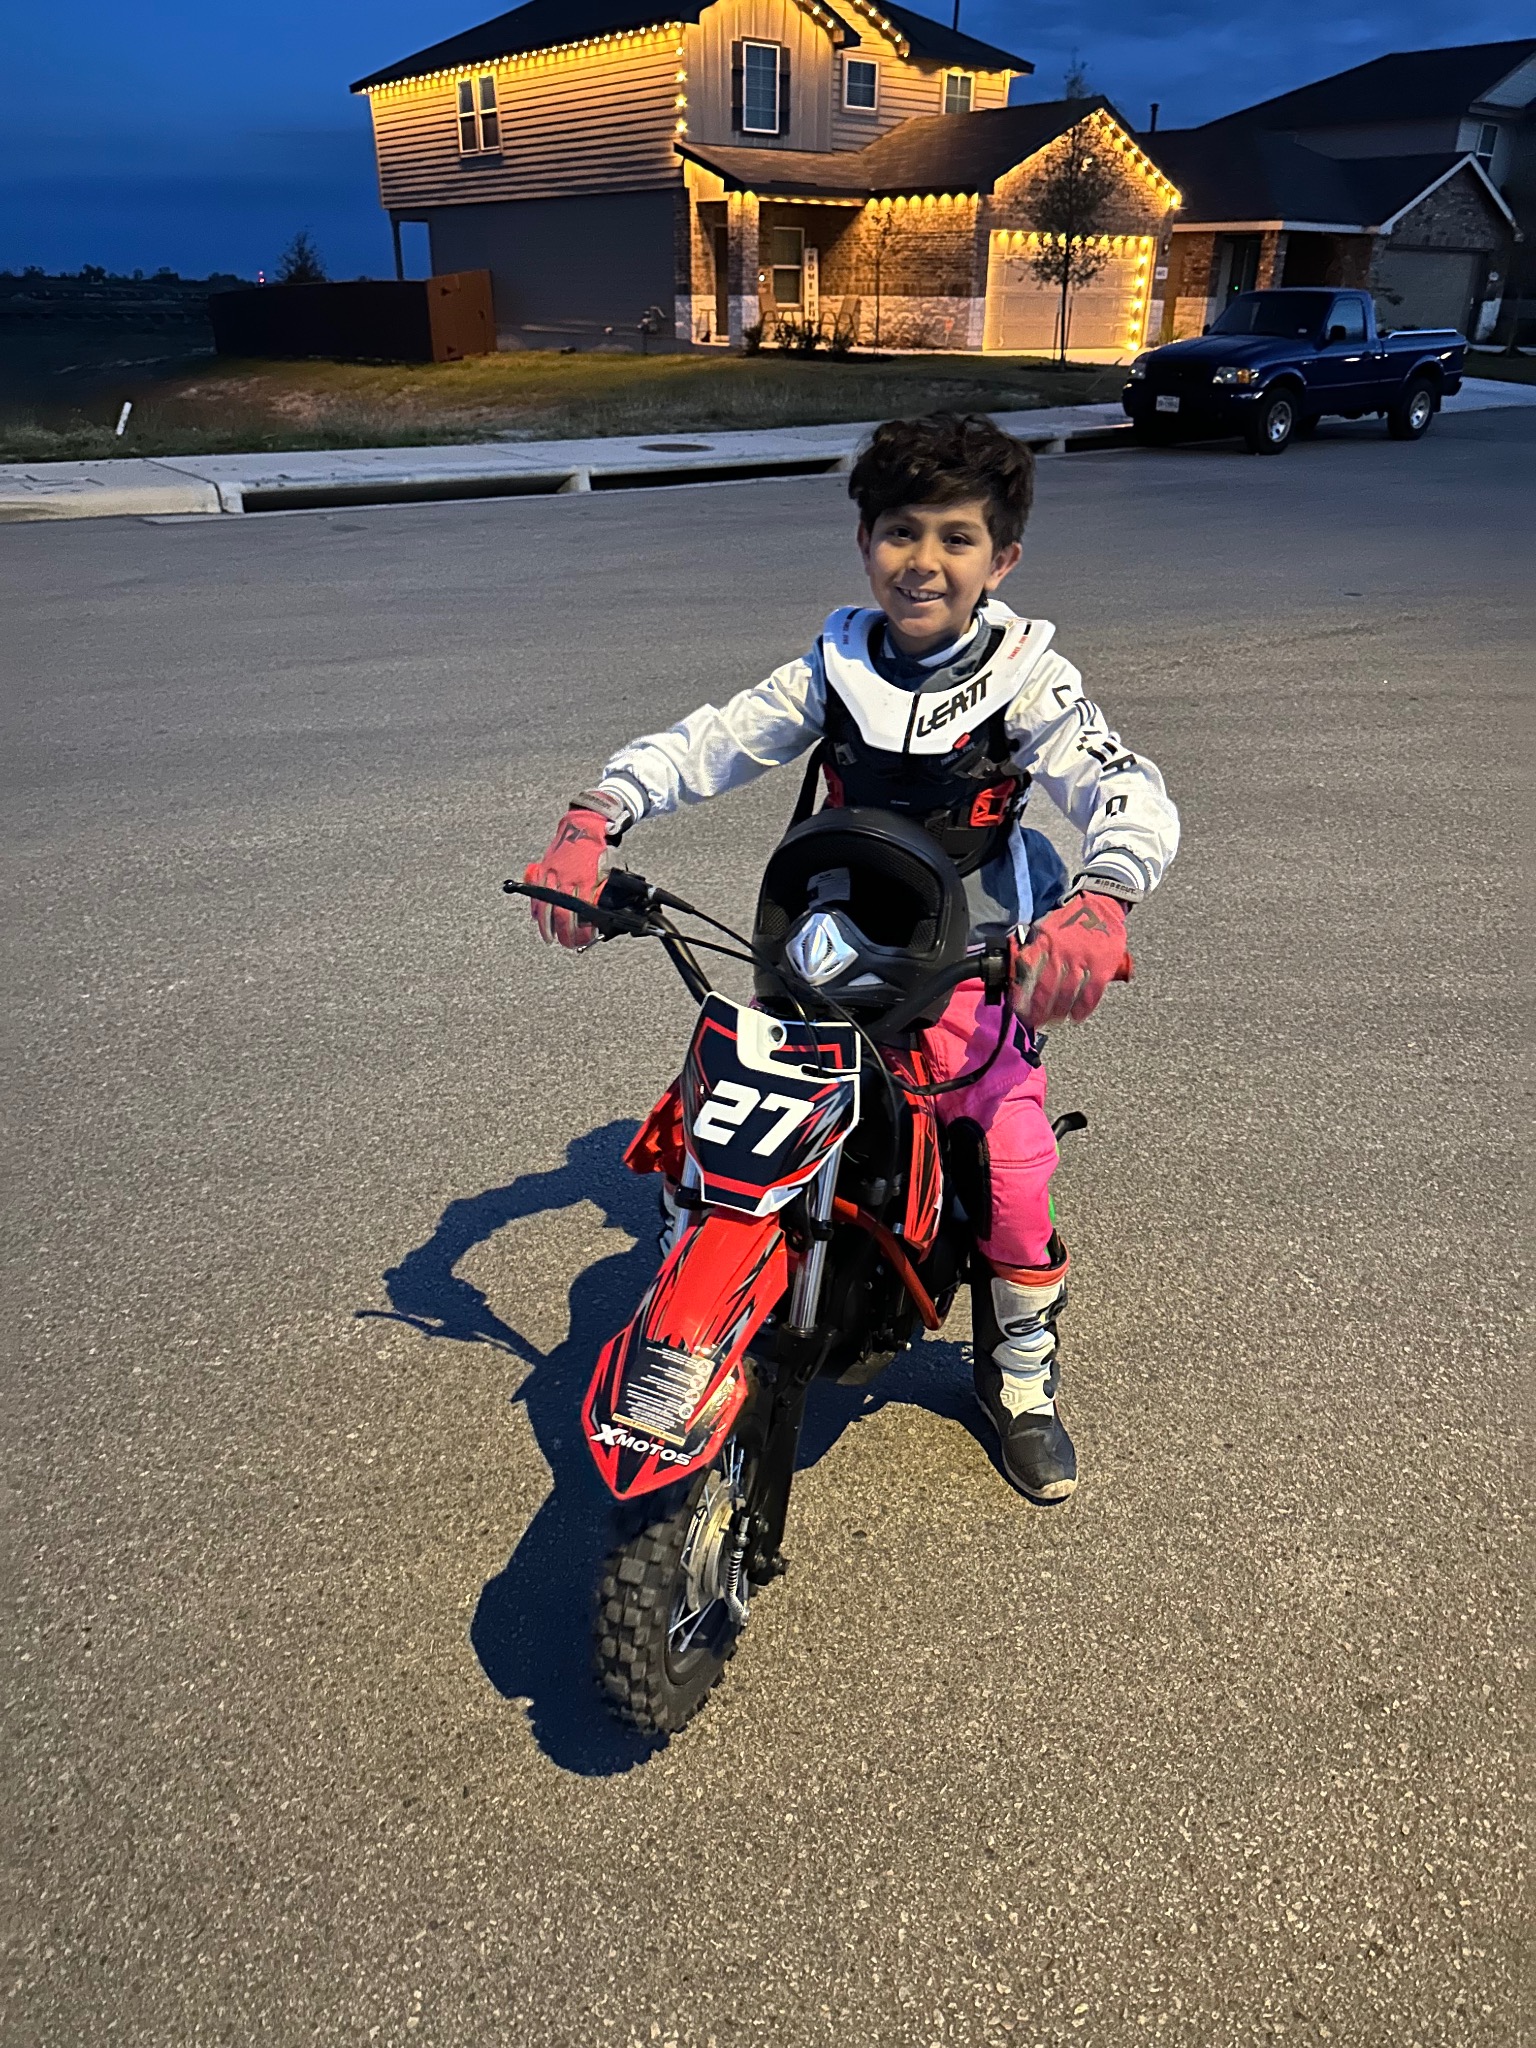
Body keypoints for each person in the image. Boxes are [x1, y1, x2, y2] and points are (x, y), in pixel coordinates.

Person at [524, 412, 1179, 1505]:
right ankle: (699, 1298)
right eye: (900, 531)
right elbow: (709, 741)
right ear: (865, 540)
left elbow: (1123, 786)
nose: (924, 561)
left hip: (977, 956)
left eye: (957, 537)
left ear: (1002, 560)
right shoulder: (831, 668)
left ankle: (1019, 1373)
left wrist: (1101, 900)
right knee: (712, 1122)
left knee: (1013, 1166)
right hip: (822, 943)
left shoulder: (1030, 681)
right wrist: (597, 815)